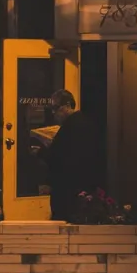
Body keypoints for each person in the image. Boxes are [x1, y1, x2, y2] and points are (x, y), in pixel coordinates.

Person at [45, 89, 102, 221]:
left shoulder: (72, 126)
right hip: (78, 186)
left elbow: (62, 157)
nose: (53, 113)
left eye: (56, 108)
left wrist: (43, 152)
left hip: (69, 188)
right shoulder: (83, 123)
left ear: (67, 106)